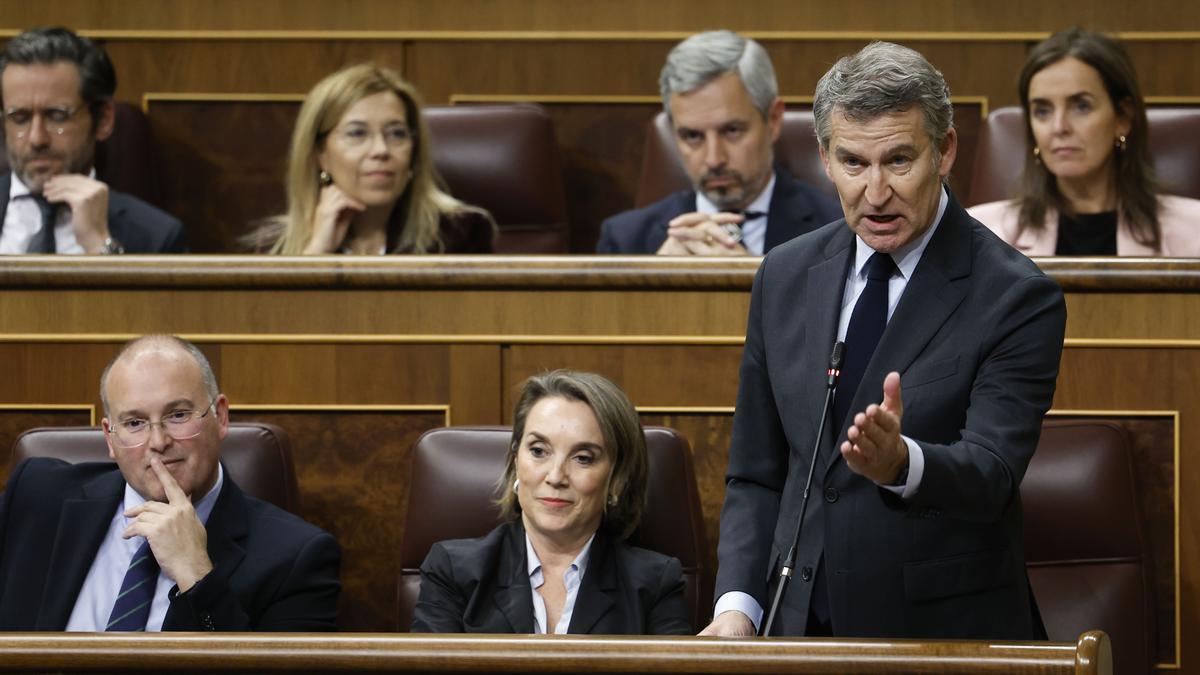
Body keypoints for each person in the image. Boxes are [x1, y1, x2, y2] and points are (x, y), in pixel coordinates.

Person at [700, 42, 1066, 639]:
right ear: (823, 156)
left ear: (944, 151)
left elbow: (992, 472)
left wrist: (903, 464)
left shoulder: (1015, 296)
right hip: (799, 630)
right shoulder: (784, 276)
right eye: (852, 162)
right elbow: (757, 473)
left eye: (898, 161)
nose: (874, 192)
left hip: (939, 637)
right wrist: (738, 607)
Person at [0, 335, 341, 631]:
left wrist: (197, 574)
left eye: (177, 415)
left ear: (220, 416)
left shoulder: (297, 559)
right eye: (134, 423)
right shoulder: (37, 496)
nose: (158, 441)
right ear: (109, 436)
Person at [412, 370, 690, 635]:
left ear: (616, 479)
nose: (556, 476)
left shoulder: (655, 584)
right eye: (538, 451)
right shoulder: (452, 571)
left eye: (583, 457)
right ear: (515, 460)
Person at [596, 30, 840, 255]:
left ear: (773, 120)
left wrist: (750, 282)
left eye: (732, 130)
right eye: (692, 136)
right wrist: (657, 285)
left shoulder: (839, 230)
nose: (714, 159)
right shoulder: (625, 240)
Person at [968, 28, 1200, 256]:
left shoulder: (1193, 232)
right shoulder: (978, 234)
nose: (1059, 127)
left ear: (1123, 118)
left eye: (1081, 106)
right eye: (1042, 111)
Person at [251, 63, 494, 254]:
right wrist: (315, 254)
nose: (381, 150)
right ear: (320, 155)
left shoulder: (460, 234)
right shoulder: (273, 246)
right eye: (357, 133)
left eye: (396, 133)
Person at [0, 27, 186, 254]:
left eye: (57, 116)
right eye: (20, 118)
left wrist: (100, 243)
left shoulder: (157, 236)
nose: (37, 139)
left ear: (103, 120)